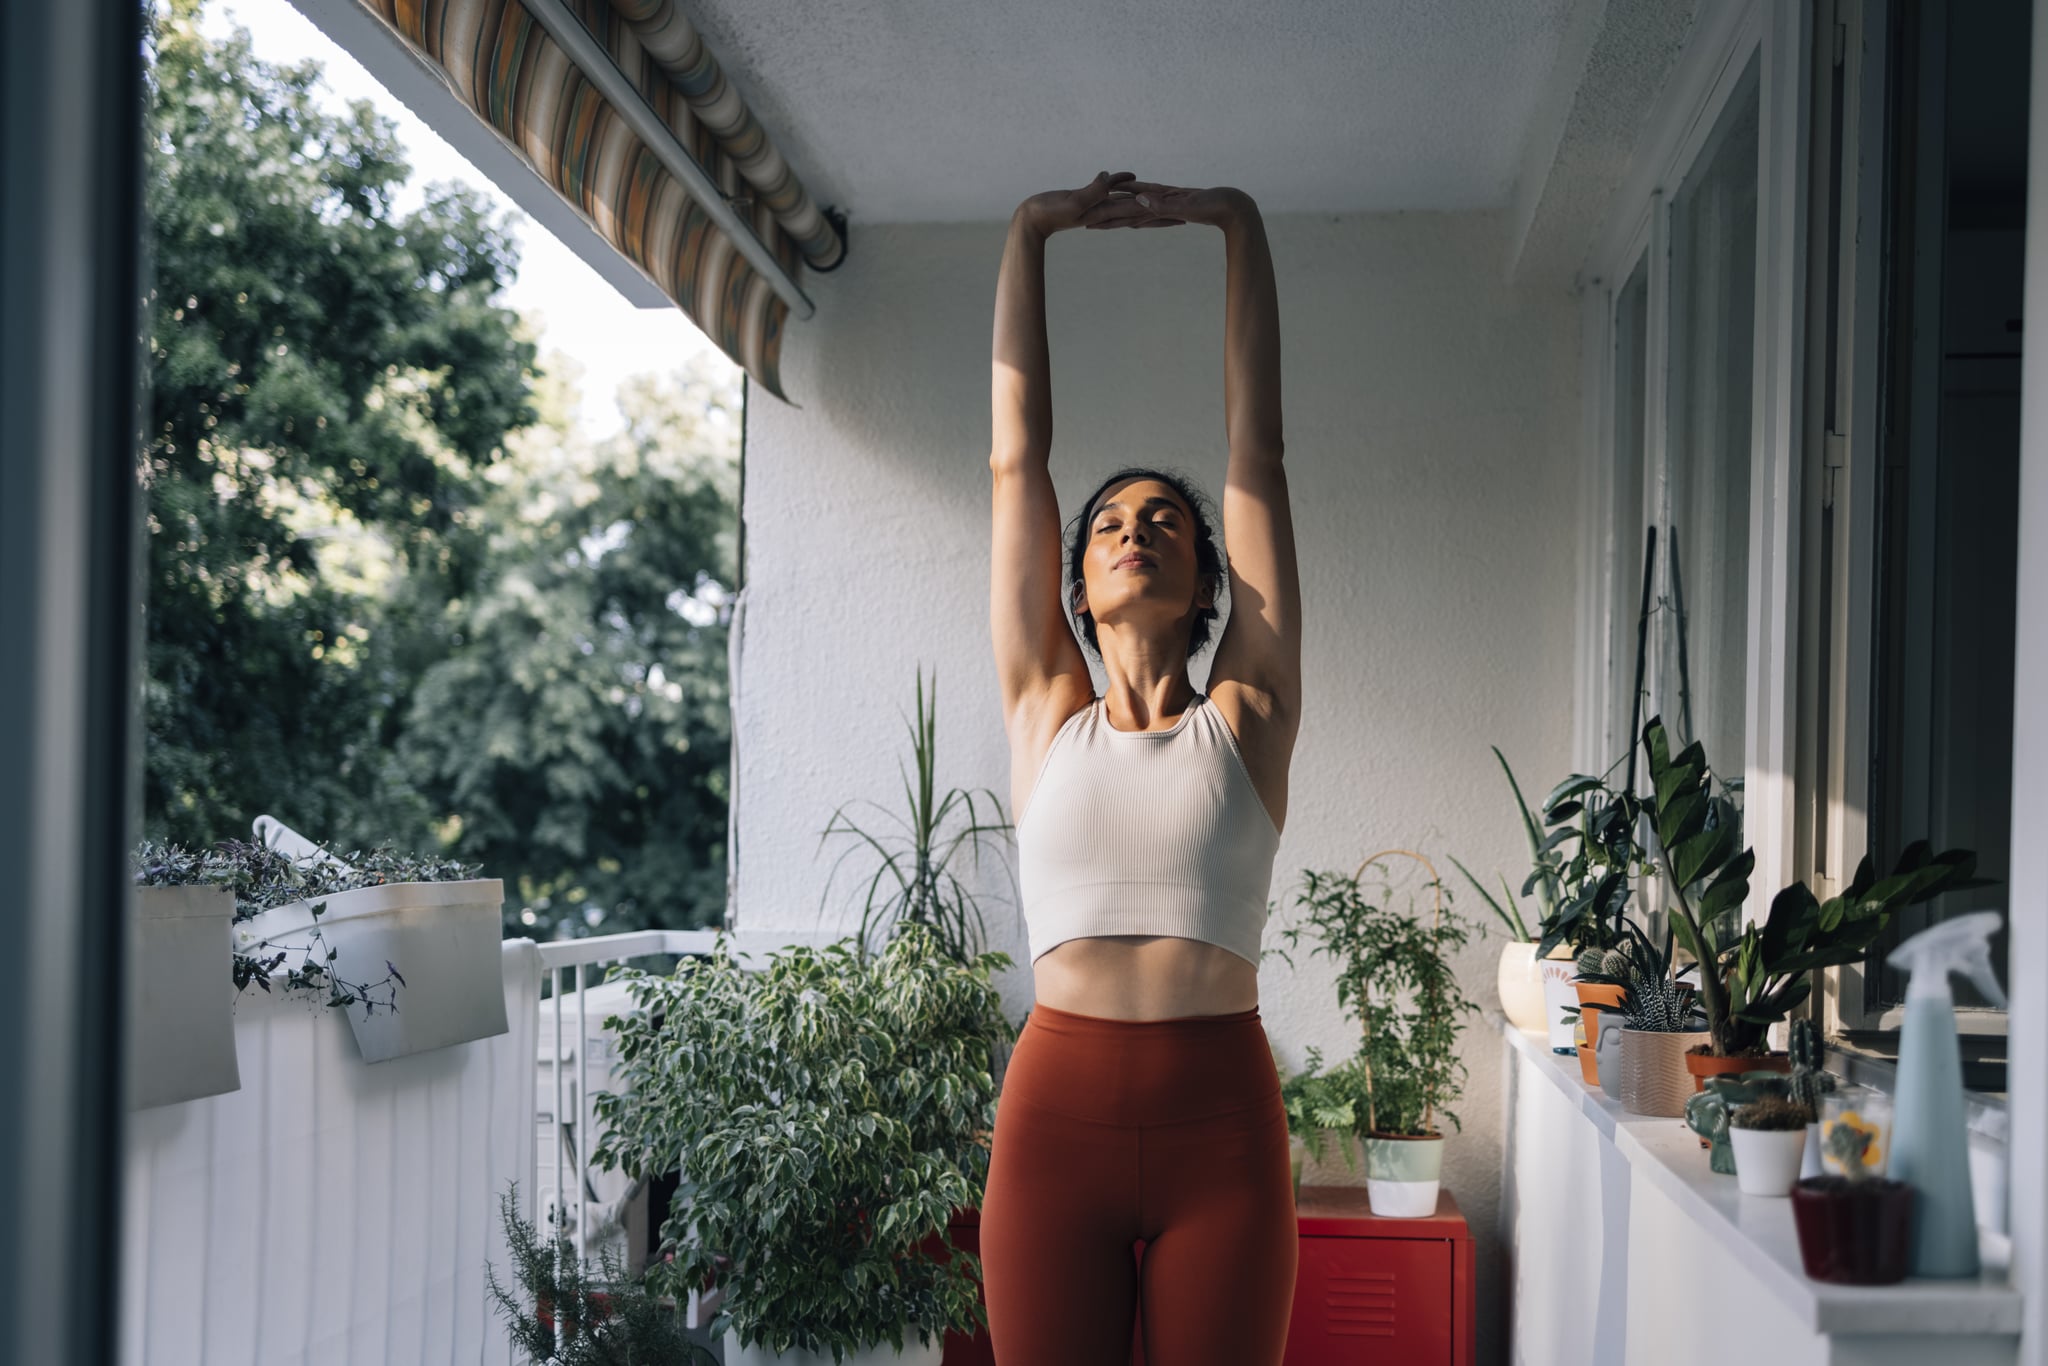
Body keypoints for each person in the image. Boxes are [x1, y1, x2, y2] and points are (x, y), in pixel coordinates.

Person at [978, 171, 1303, 1366]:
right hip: (1052, 1121)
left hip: (1220, 1130)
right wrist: (1030, 232)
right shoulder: (1042, 708)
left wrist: (1235, 219)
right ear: (1076, 589)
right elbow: (1018, 463)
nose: (1133, 531)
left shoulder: (1249, 713)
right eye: (1110, 523)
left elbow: (1255, 450)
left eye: (1163, 520)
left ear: (1207, 585)